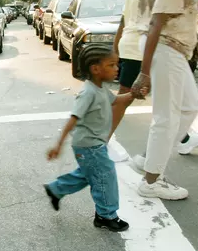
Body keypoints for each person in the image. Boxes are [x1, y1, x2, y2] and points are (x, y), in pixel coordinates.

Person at [111, 0, 198, 155]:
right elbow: (158, 19)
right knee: (127, 98)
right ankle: (101, 144)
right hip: (147, 46)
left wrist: (115, 47)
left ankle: (182, 139)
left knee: (169, 99)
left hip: (133, 43)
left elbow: (123, 19)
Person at [130, 0, 198, 200]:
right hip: (164, 48)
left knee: (189, 107)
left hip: (166, 48)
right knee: (167, 116)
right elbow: (155, 23)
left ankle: (150, 159)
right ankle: (151, 181)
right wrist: (144, 72)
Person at [44, 44, 142, 232]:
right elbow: (73, 118)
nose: (117, 68)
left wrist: (134, 94)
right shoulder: (88, 93)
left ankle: (56, 189)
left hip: (94, 144)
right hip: (89, 145)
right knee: (105, 176)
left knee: (90, 173)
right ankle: (106, 216)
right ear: (96, 69)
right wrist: (58, 145)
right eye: (112, 65)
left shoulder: (100, 88)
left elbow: (117, 101)